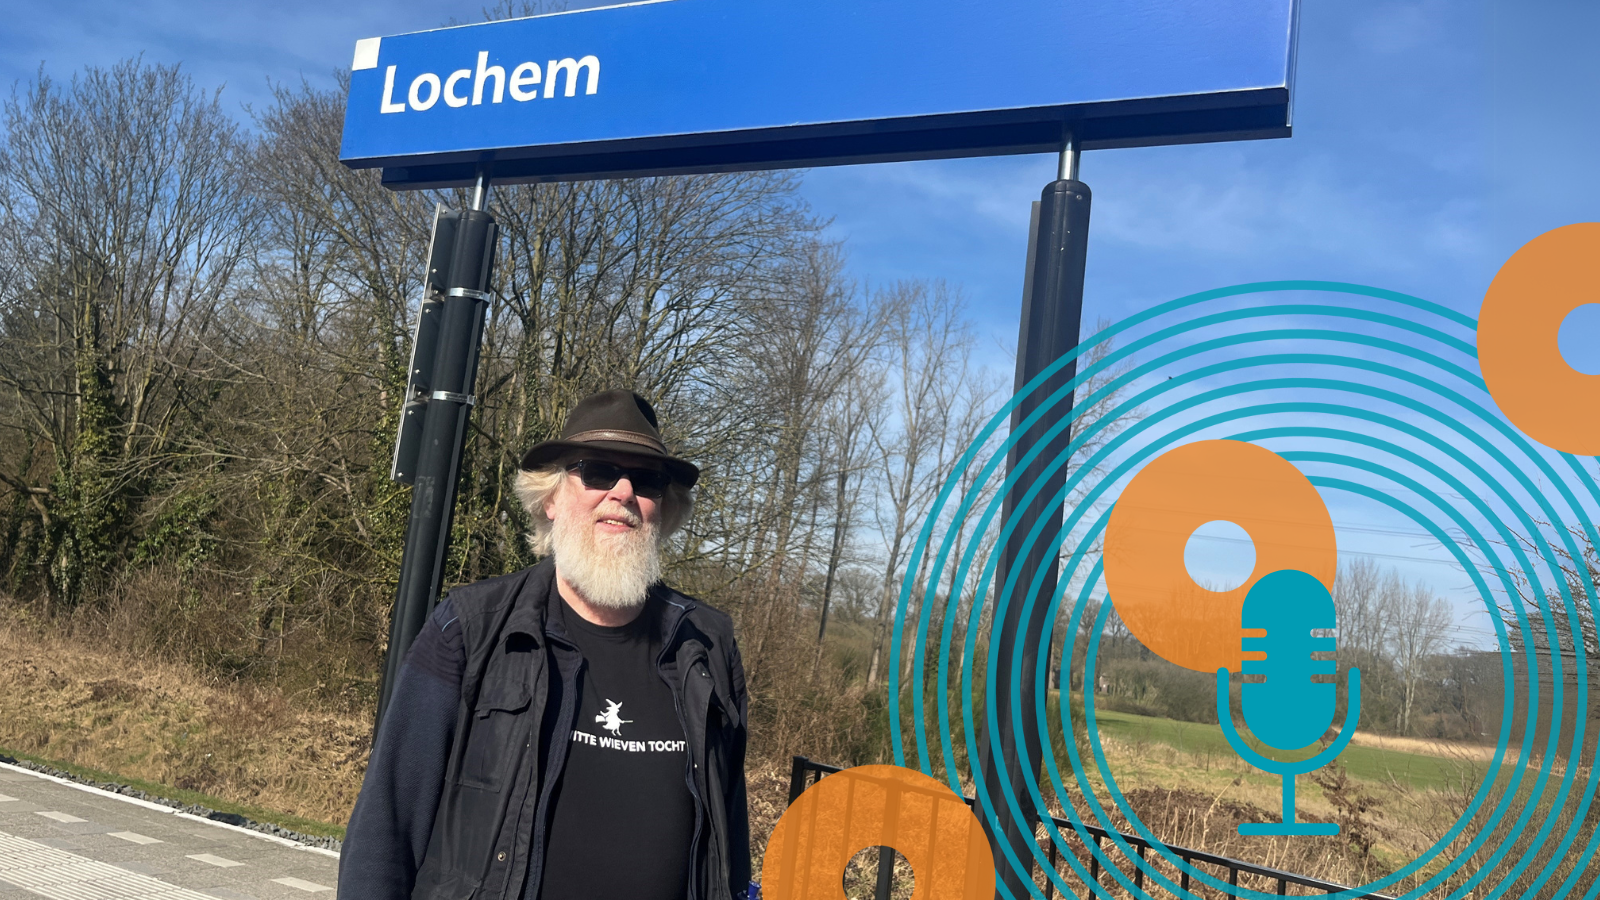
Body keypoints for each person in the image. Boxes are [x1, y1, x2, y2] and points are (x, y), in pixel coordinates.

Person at [339, 389, 750, 900]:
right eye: (598, 472)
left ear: (663, 509)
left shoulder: (707, 647)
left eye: (647, 480)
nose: (622, 493)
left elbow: (727, 850)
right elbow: (387, 831)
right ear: (551, 498)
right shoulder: (470, 629)